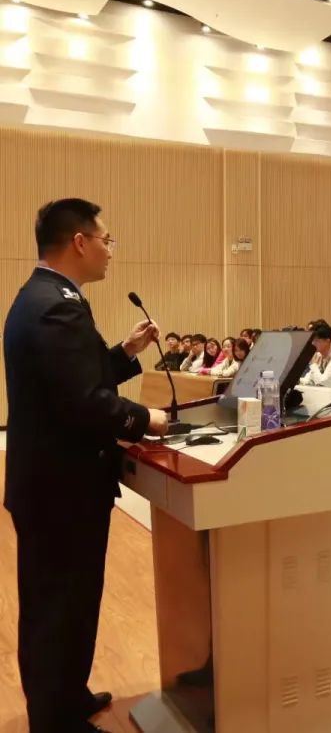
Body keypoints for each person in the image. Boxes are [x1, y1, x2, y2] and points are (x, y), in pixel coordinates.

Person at [5, 198, 169, 733]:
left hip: (52, 485)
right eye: (106, 239)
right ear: (80, 242)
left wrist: (126, 350)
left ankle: (64, 698)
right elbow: (82, 402)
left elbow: (78, 376)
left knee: (62, 604)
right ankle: (56, 719)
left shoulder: (46, 297)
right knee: (60, 608)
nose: (110, 251)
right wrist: (145, 419)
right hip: (62, 490)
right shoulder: (58, 306)